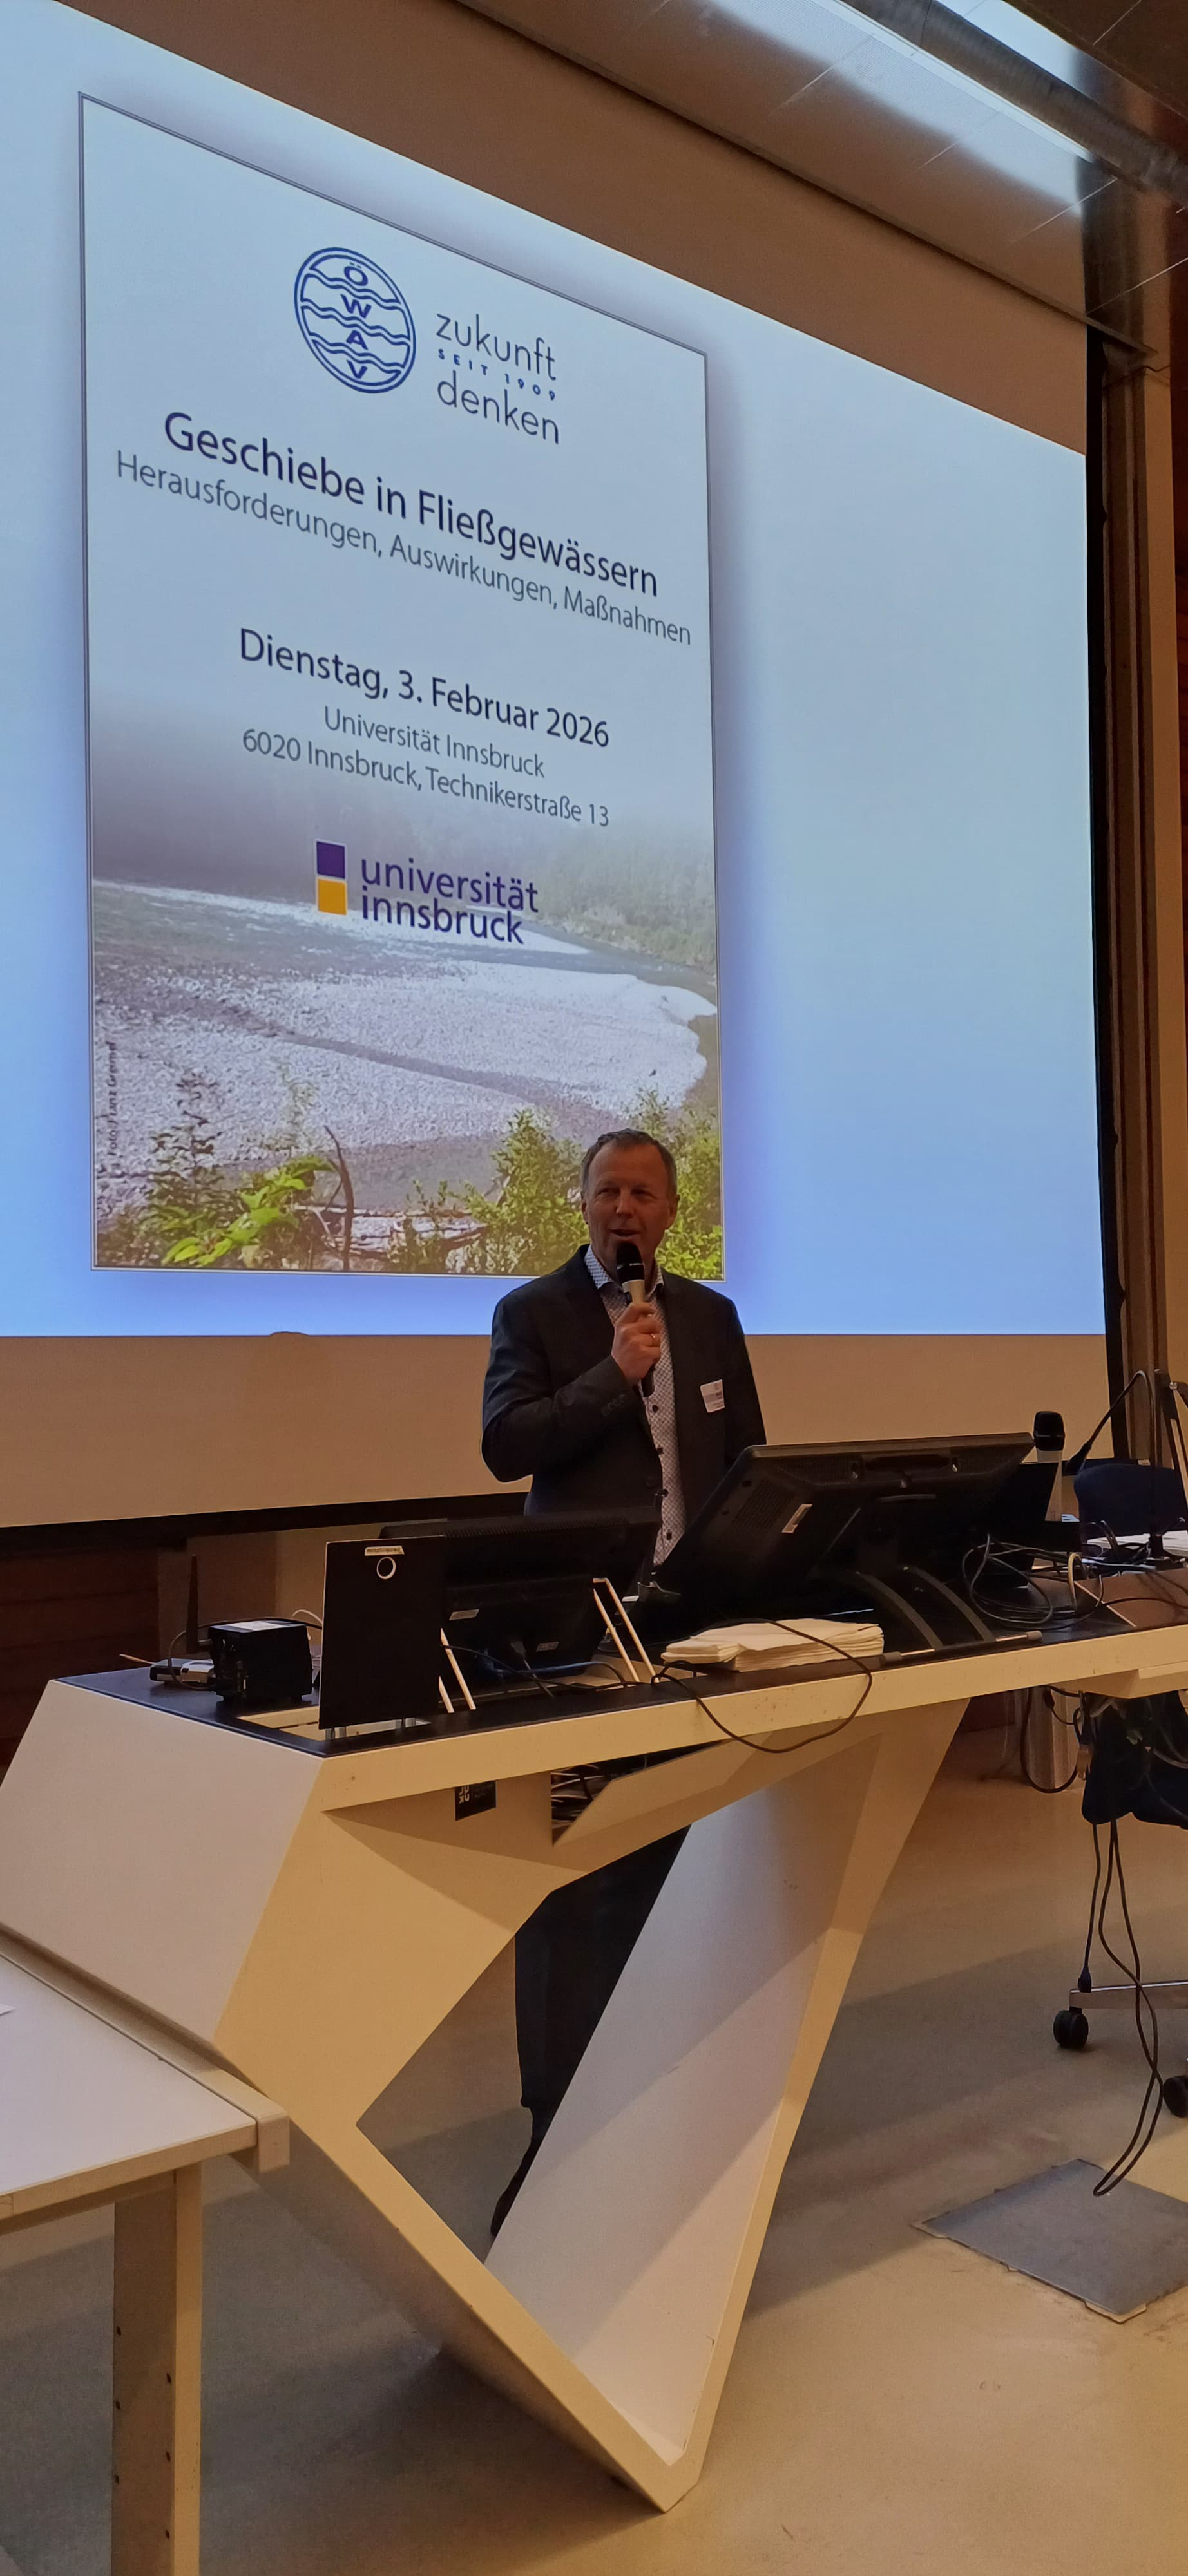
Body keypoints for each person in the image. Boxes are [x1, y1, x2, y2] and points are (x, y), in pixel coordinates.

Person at [481, 1128, 765, 2230]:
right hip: (579, 1634)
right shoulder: (535, 1314)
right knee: (575, 1884)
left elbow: (748, 1460)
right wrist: (615, 1376)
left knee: (684, 1861)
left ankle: (661, 2098)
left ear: (673, 1211)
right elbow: (507, 1446)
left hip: (694, 1626)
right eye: (608, 1190)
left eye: (643, 1192)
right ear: (584, 1205)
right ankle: (551, 2131)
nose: (624, 1208)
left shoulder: (712, 1318)